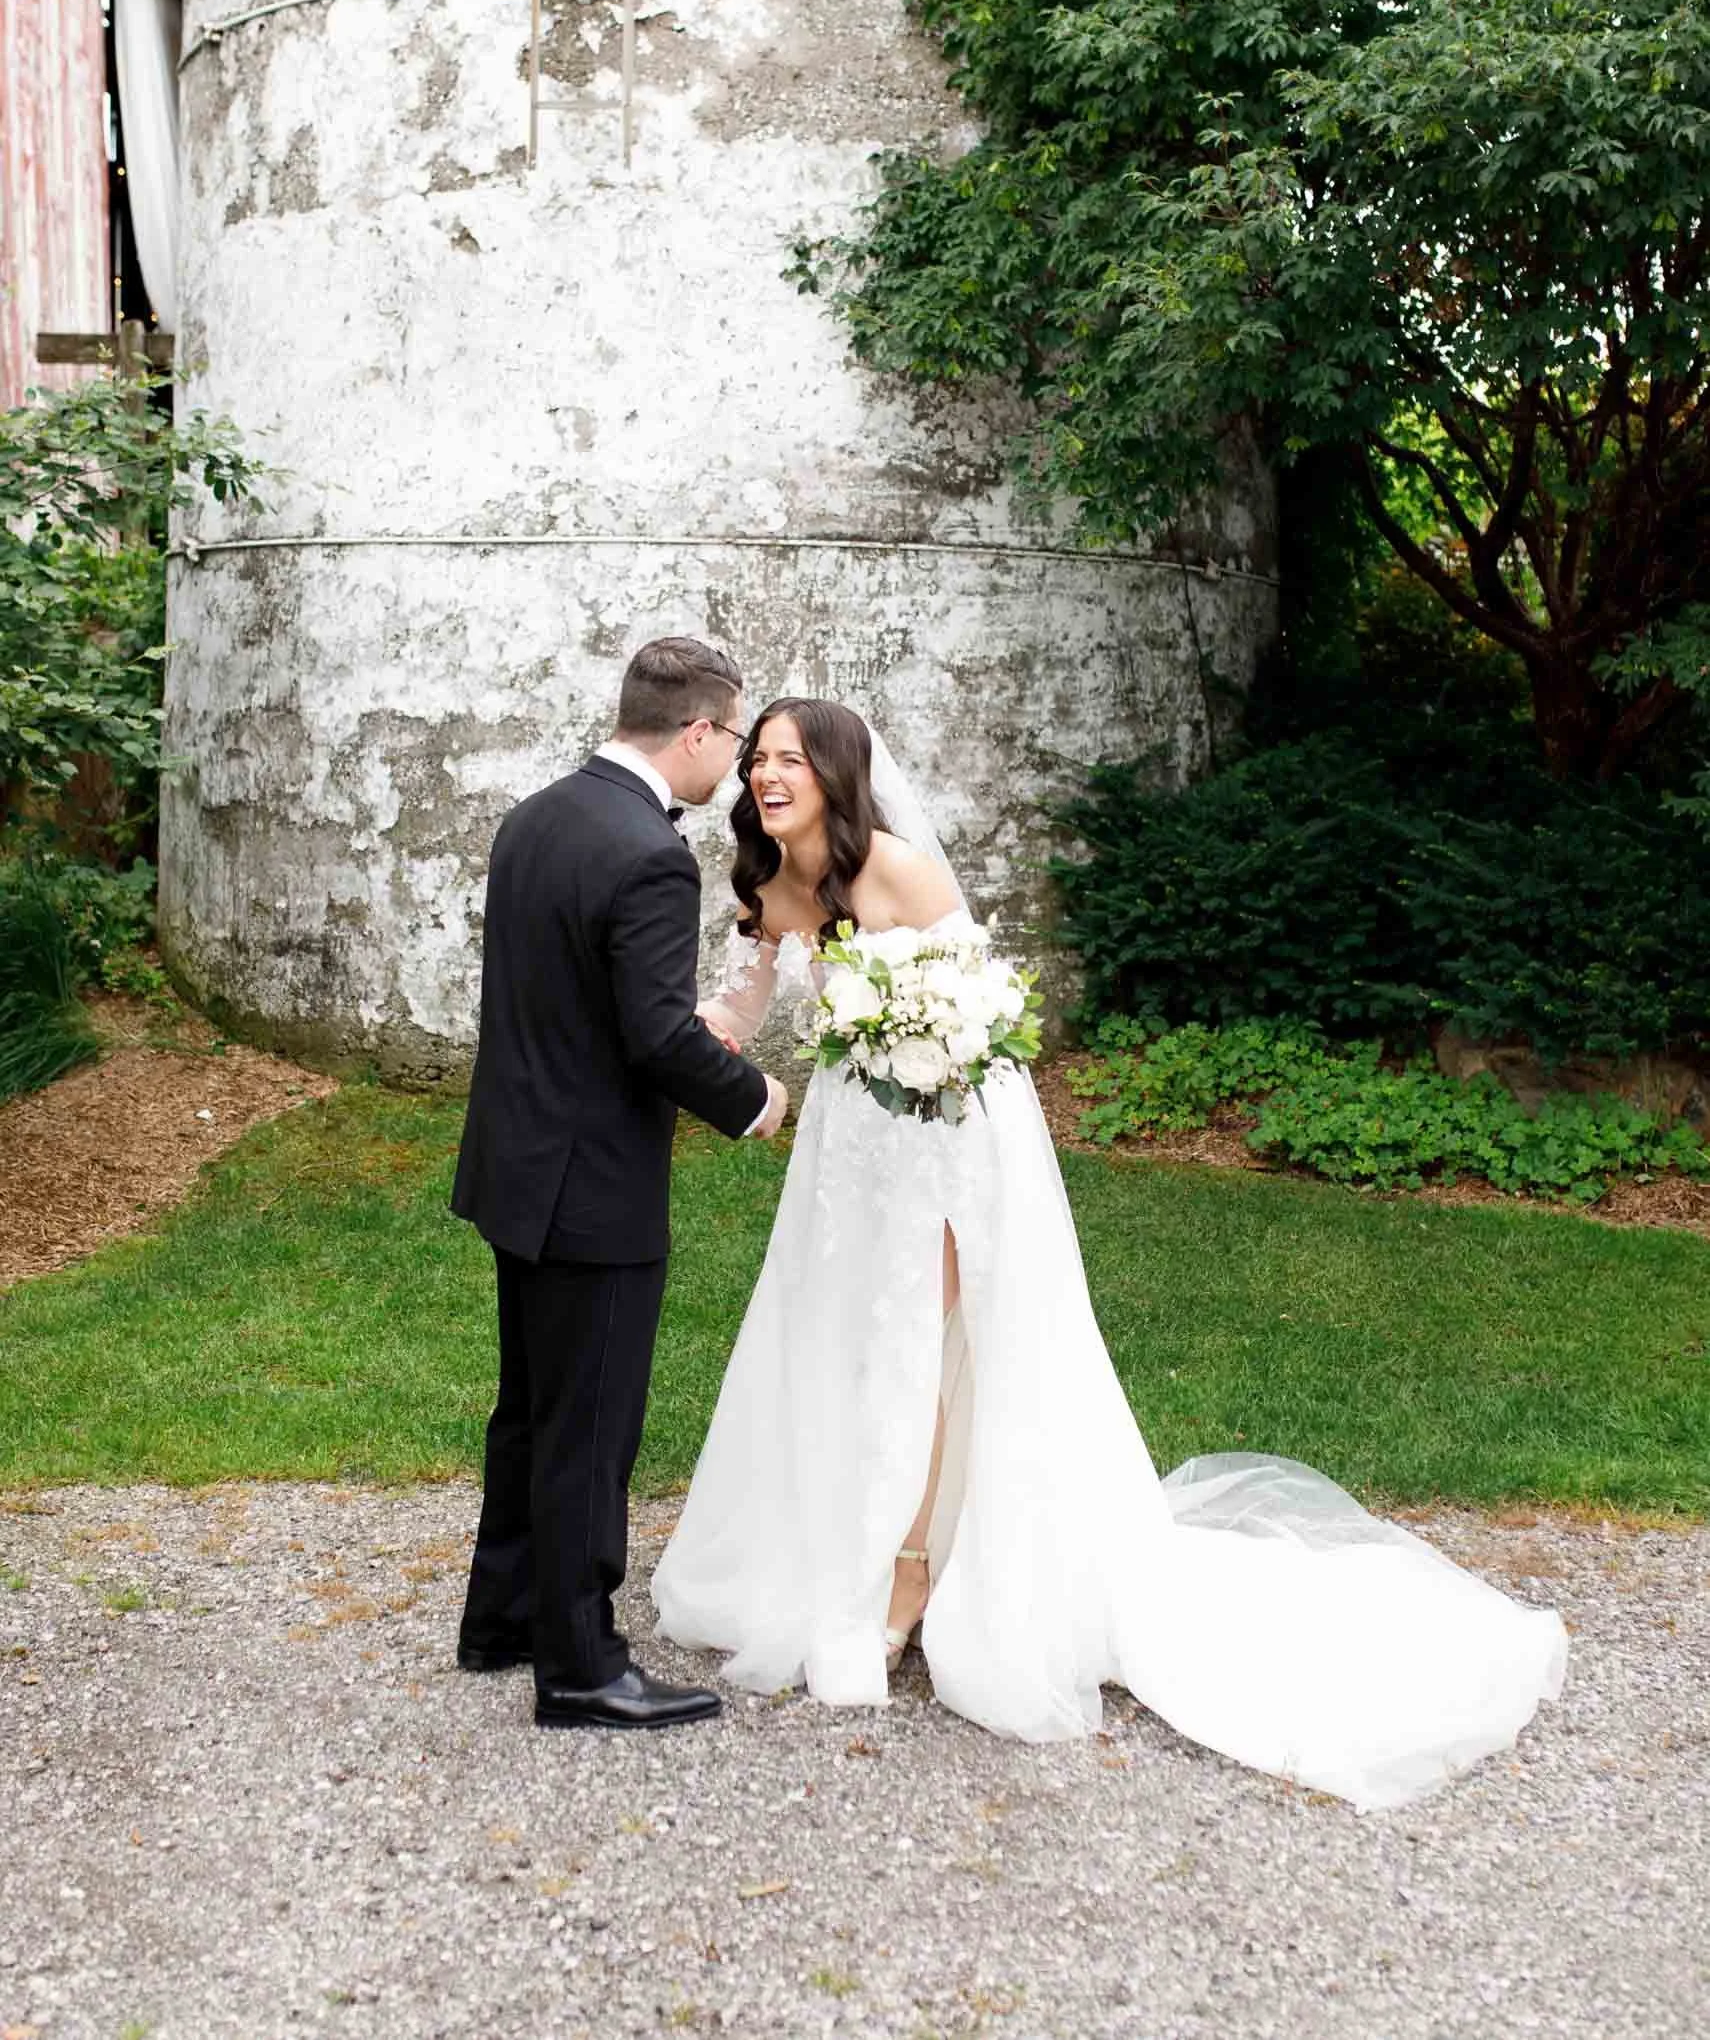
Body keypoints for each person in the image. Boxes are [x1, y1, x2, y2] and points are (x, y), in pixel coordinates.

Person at [653, 698, 1569, 1809]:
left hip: (945, 1142)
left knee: (914, 1338)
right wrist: (678, 1046)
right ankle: (827, 1539)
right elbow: (742, 1002)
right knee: (828, 1331)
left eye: (789, 759)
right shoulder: (766, 884)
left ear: (838, 773)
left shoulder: (897, 870)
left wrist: (927, 1073)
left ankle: (906, 1571)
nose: (766, 775)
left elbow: (978, 1020)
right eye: (758, 759)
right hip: (847, 1149)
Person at [452, 638, 789, 1732]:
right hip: (592, 1186)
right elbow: (650, 1033)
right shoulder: (646, 850)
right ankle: (583, 1665)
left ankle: (502, 1619)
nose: (735, 767)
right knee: (588, 1430)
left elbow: (572, 1001)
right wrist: (752, 1099)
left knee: (531, 1414)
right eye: (735, 741)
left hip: (516, 1169)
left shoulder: (536, 815)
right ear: (697, 730)